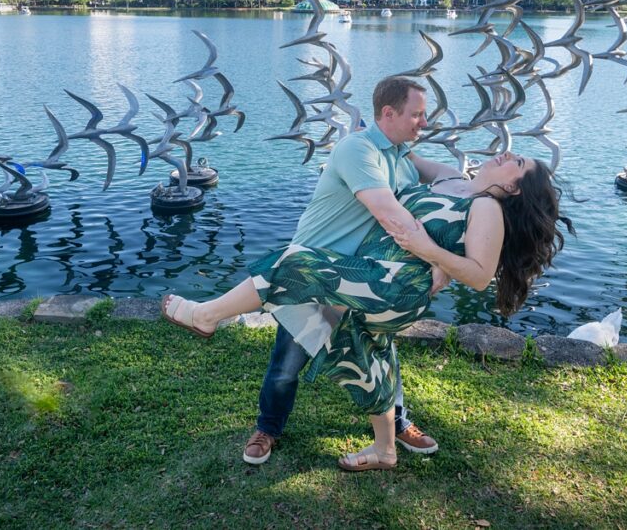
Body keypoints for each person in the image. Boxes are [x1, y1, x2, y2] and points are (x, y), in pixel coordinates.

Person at [163, 145, 572, 470]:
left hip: (397, 286)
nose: (505, 154)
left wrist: (431, 252)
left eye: (516, 162)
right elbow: (399, 151)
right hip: (374, 274)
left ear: (516, 188)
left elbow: (480, 275)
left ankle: (206, 315)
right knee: (364, 353)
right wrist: (368, 132)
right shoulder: (450, 176)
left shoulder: (487, 208)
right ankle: (385, 448)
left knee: (294, 264)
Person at [166, 77, 457, 466]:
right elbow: (391, 215)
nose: (424, 122)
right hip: (311, 272)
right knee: (288, 361)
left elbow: (449, 176)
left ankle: (398, 423)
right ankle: (268, 428)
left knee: (380, 352)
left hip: (360, 276)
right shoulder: (358, 149)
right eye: (417, 114)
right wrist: (440, 260)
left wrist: (481, 190)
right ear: (389, 113)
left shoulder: (403, 155)